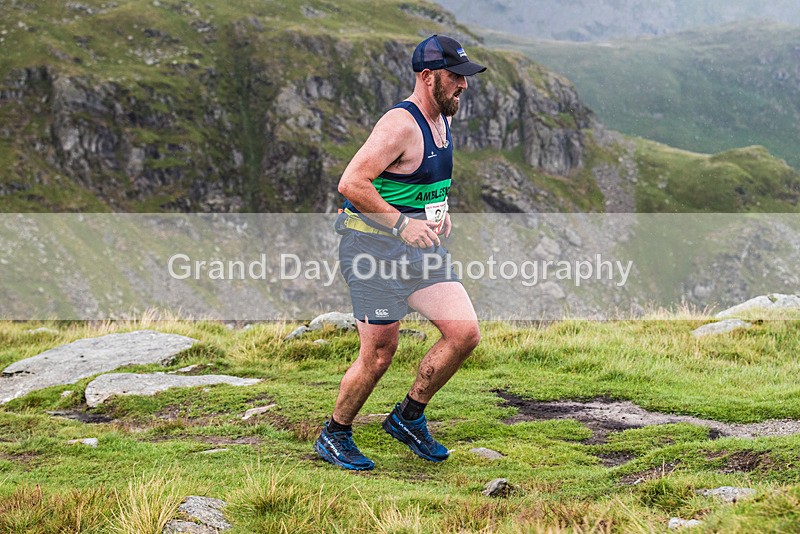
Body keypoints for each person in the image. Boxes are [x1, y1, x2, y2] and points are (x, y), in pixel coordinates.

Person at [314, 35, 486, 470]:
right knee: (378, 355)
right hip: (371, 250)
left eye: (465, 78)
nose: (463, 86)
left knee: (464, 333)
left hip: (419, 250)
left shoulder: (444, 119)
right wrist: (401, 223)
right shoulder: (399, 125)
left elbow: (421, 178)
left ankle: (408, 417)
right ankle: (335, 433)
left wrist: (439, 212)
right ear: (428, 77)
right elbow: (352, 183)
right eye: (455, 77)